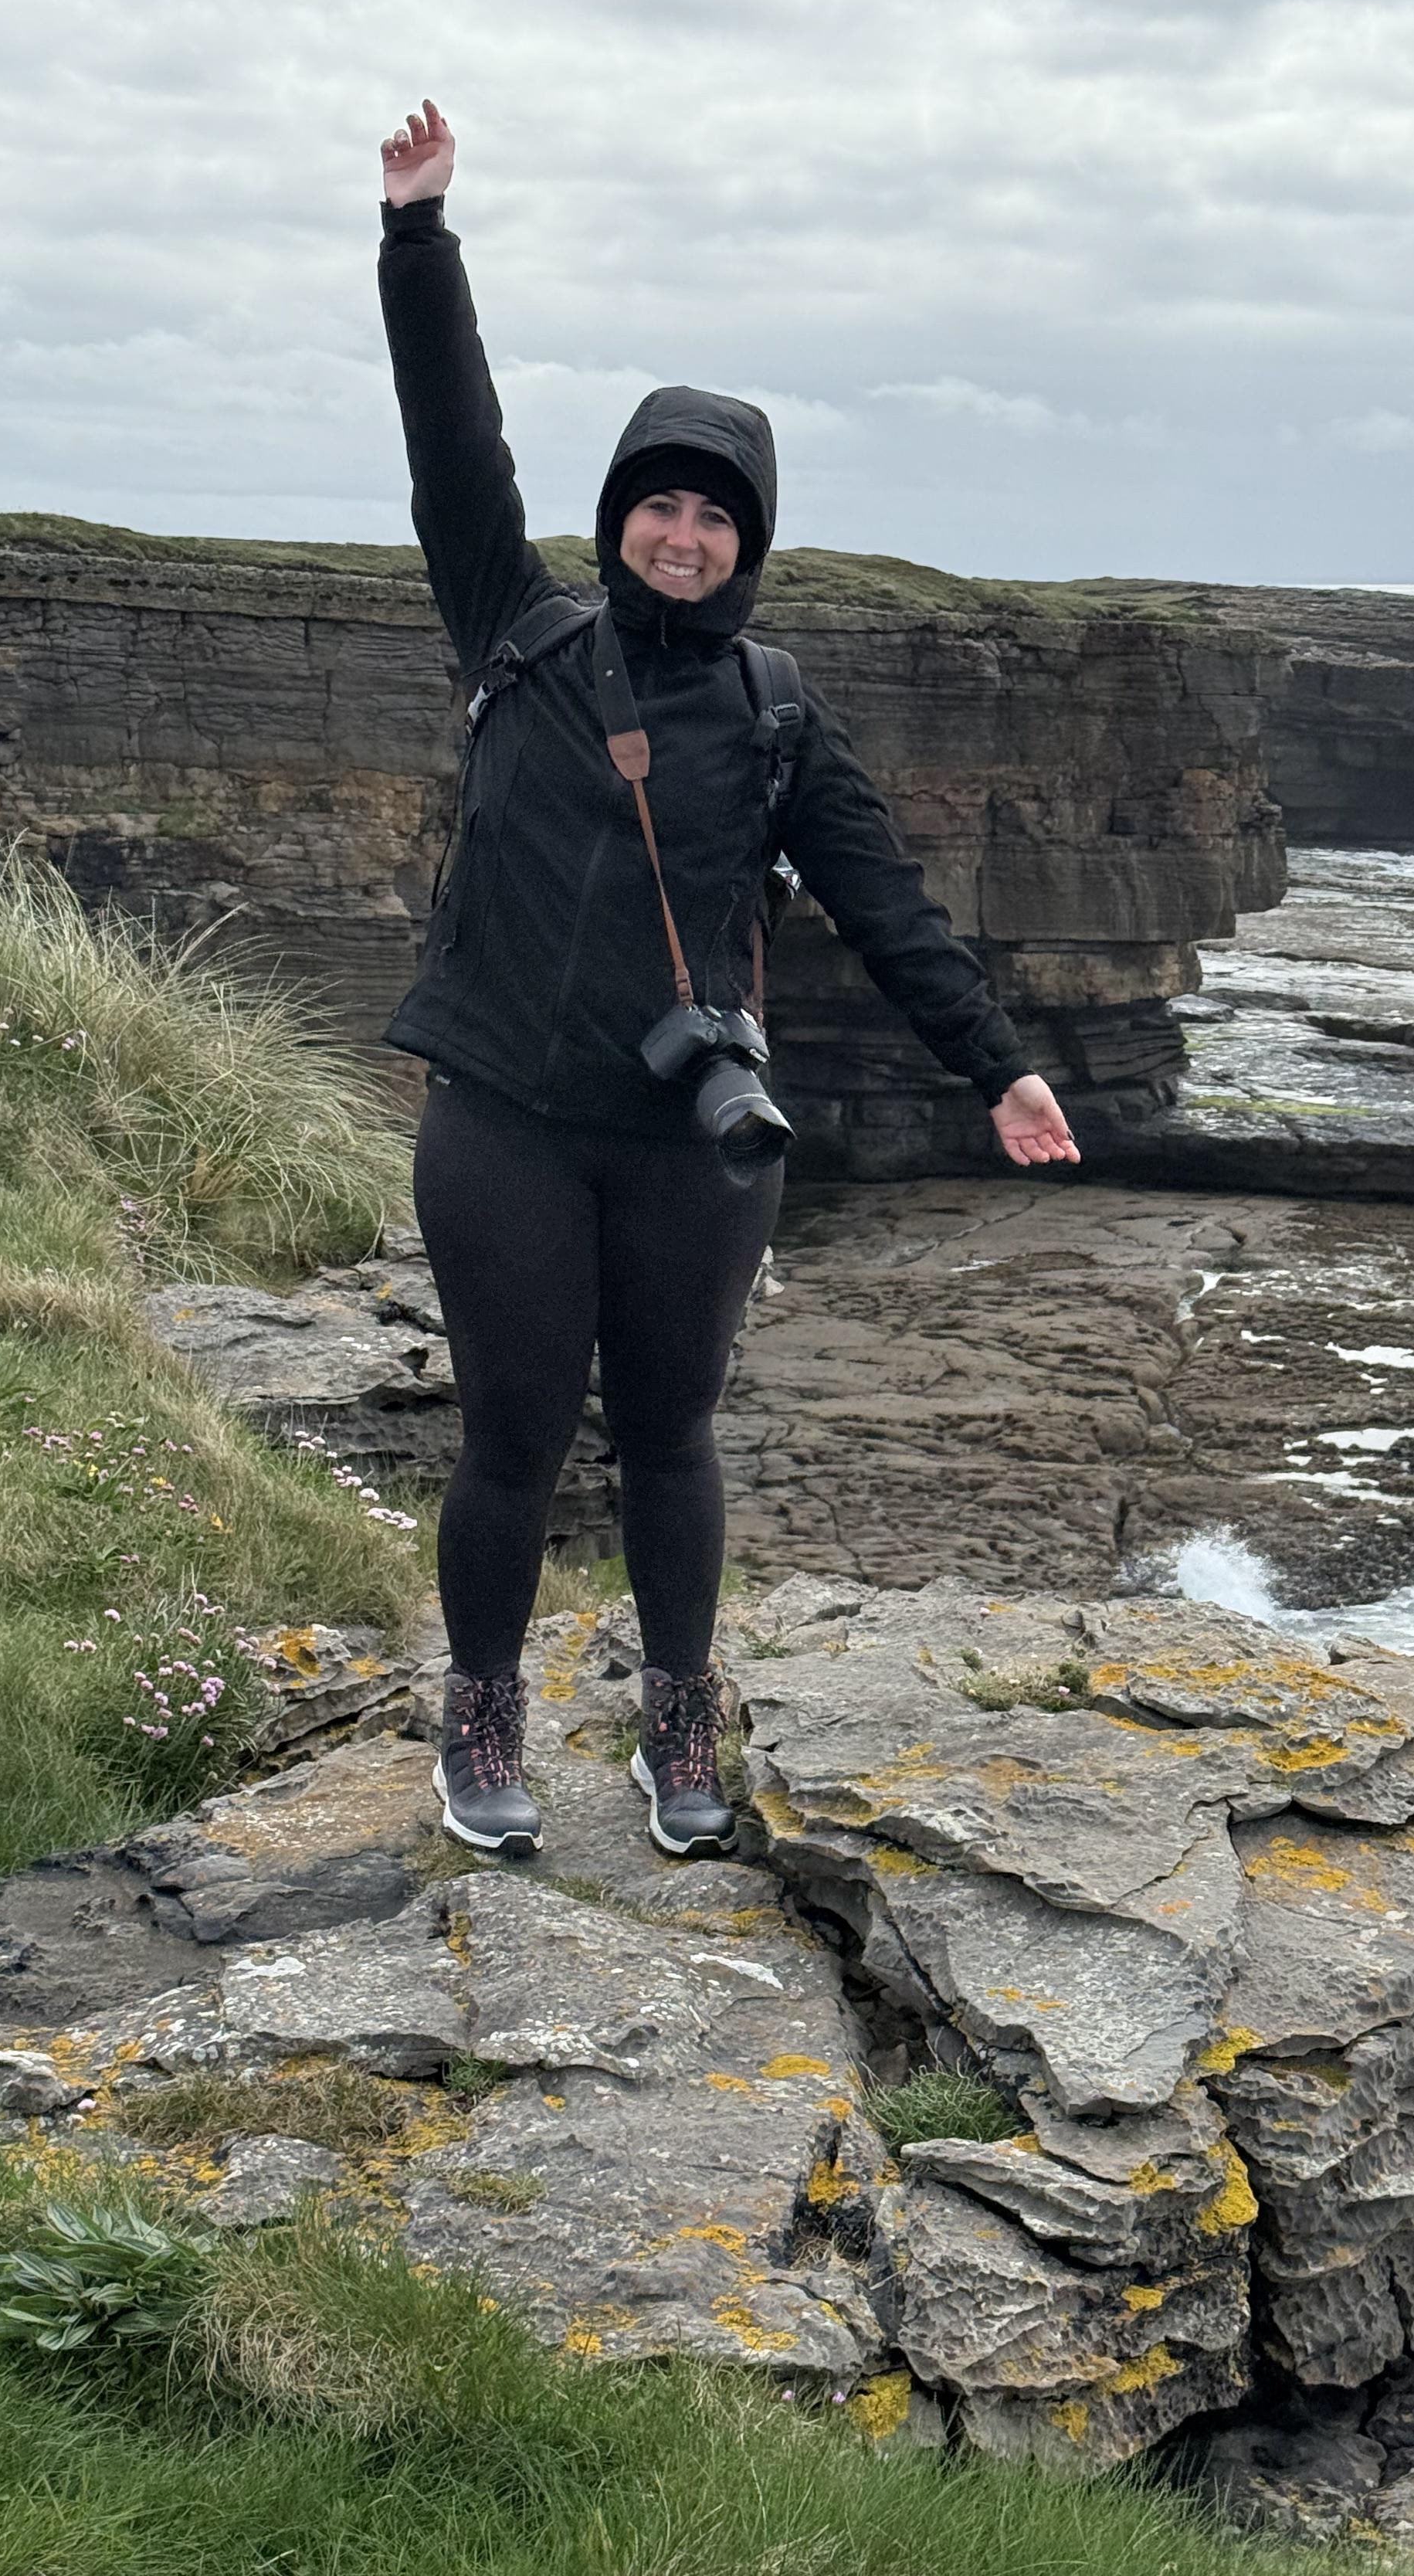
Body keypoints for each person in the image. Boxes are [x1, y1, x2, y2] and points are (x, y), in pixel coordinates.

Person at [375, 100, 1080, 1863]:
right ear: (618, 520)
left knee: (674, 1435)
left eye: (712, 515)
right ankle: (484, 1709)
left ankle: (679, 1718)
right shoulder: (518, 640)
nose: (680, 534)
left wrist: (995, 1065)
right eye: (657, 505)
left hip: (690, 1141)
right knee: (516, 1435)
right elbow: (455, 446)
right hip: (507, 1123)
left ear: (746, 541)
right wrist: (419, 238)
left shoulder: (776, 713)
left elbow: (886, 901)